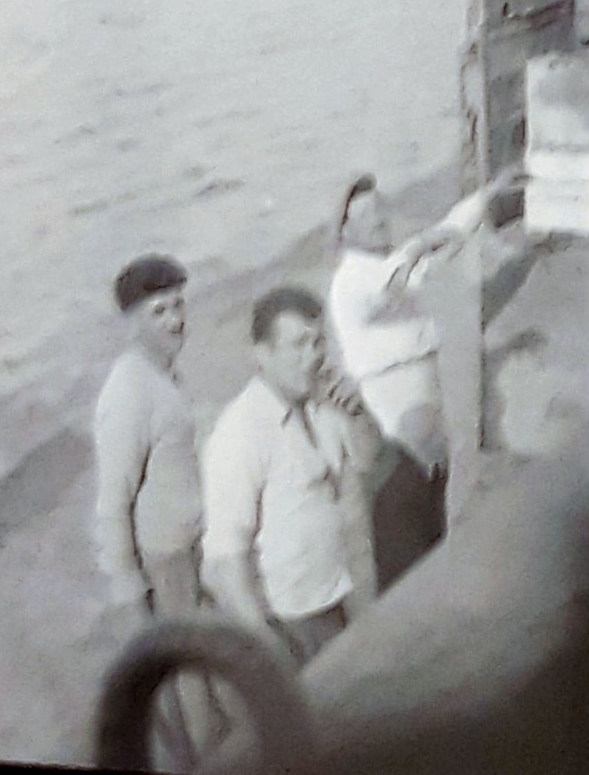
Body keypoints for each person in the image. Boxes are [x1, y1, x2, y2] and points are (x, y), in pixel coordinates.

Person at [327, 174, 517, 589]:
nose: (379, 219)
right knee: (404, 557)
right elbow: (397, 278)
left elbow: (447, 236)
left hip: (427, 454)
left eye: (380, 208)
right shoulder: (352, 281)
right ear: (344, 231)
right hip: (398, 456)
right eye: (365, 214)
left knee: (431, 545)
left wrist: (487, 194)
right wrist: (421, 244)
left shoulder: (390, 265)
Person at [202, 286, 373, 667]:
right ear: (263, 354)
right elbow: (226, 558)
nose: (313, 356)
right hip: (292, 623)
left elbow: (367, 469)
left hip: (344, 596)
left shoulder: (323, 408)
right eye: (298, 345)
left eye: (318, 342)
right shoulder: (240, 432)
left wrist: (360, 415)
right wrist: (267, 647)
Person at [94, 255, 203, 635]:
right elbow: (113, 501)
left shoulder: (163, 373)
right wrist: (129, 587)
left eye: (178, 305)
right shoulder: (128, 391)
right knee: (189, 656)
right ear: (131, 323)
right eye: (159, 312)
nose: (175, 321)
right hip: (168, 560)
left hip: (192, 546)